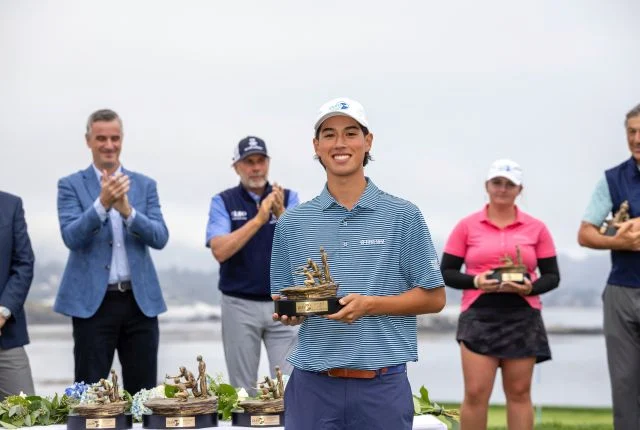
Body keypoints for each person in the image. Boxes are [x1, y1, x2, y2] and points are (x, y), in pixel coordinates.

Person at [270, 97, 446, 430]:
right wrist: (289, 312)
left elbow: (435, 299)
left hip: (382, 387)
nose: (340, 143)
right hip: (312, 388)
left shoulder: (403, 215)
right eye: (329, 134)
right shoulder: (292, 222)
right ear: (317, 146)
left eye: (351, 133)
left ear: (368, 142)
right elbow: (282, 298)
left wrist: (370, 305)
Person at [55, 109, 169, 394]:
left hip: (139, 303)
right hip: (93, 305)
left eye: (115, 138)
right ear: (88, 140)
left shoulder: (144, 185)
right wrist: (102, 205)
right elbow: (71, 236)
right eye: (101, 138)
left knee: (144, 396)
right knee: (90, 396)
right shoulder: (70, 185)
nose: (109, 145)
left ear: (122, 139)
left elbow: (160, 237)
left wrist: (128, 211)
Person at [441, 159, 560, 430]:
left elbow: (552, 276)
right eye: (497, 183)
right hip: (479, 314)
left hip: (523, 315)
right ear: (487, 186)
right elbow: (447, 272)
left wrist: (530, 286)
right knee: (475, 394)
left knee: (519, 394)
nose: (503, 189)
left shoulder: (537, 228)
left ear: (520, 189)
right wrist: (477, 280)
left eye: (510, 184)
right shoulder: (466, 226)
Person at [206, 136, 299, 393]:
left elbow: (302, 248)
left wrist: (280, 214)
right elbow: (220, 250)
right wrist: (260, 219)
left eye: (261, 161)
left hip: (284, 303)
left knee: (290, 385)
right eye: (249, 162)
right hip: (239, 304)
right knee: (242, 389)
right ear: (236, 166)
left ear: (268, 163)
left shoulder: (289, 198)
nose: (256, 168)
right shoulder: (223, 201)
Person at [577, 103, 640, 430]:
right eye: (631, 131)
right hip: (621, 292)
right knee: (625, 383)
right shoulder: (612, 179)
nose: (637, 138)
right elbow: (585, 233)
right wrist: (623, 241)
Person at [0, 191, 35, 399]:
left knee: (28, 412)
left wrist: (3, 312)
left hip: (6, 336)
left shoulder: (11, 204)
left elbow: (24, 263)